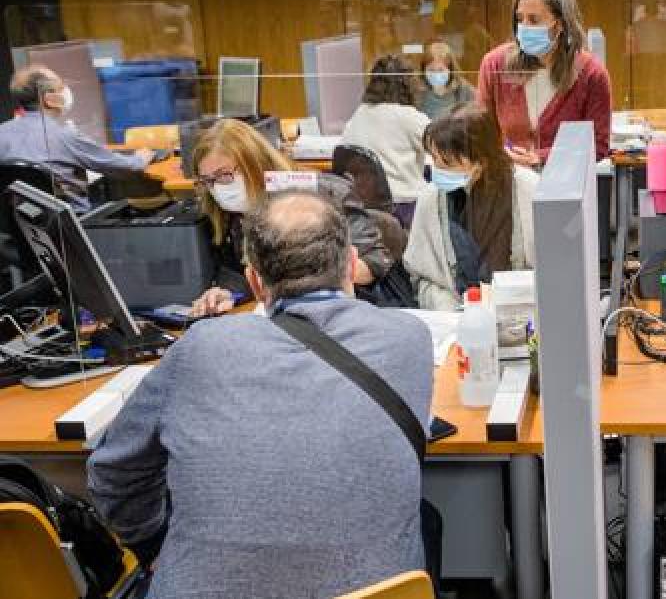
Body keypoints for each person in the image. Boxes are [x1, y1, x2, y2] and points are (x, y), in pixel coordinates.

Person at [88, 190, 435, 599]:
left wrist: (152, 548)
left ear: (254, 280)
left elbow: (113, 473)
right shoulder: (409, 337)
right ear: (353, 263)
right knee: (427, 523)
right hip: (379, 592)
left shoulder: (203, 345)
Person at [187, 118, 402, 316]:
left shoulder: (325, 194)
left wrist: (303, 278)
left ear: (254, 162)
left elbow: (373, 263)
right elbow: (239, 272)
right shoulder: (227, 216)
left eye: (225, 175)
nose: (217, 188)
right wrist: (228, 292)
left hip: (350, 308)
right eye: (207, 181)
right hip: (281, 316)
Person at [403, 104, 537, 310]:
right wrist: (450, 308)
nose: (437, 171)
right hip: (453, 317)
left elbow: (550, 272)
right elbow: (421, 277)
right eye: (434, 160)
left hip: (519, 313)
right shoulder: (430, 199)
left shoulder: (529, 191)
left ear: (481, 162)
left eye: (447, 164)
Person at [477, 0, 612, 164]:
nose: (524, 27)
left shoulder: (591, 73)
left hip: (567, 185)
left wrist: (540, 158)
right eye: (519, 19)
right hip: (512, 182)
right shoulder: (494, 65)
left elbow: (598, 147)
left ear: (560, 25)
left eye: (534, 20)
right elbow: (481, 134)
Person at [0, 65, 154, 206]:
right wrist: (141, 157)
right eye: (60, 86)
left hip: (22, 222)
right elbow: (127, 167)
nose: (66, 90)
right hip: (75, 223)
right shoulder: (64, 136)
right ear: (49, 99)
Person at [343, 55, 432, 227]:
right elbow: (443, 146)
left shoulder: (357, 115)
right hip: (405, 209)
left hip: (364, 210)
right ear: (408, 85)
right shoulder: (409, 117)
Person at [414, 39, 477, 121]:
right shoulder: (417, 92)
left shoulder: (463, 89)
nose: (436, 74)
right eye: (431, 70)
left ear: (450, 70)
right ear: (423, 71)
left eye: (441, 70)